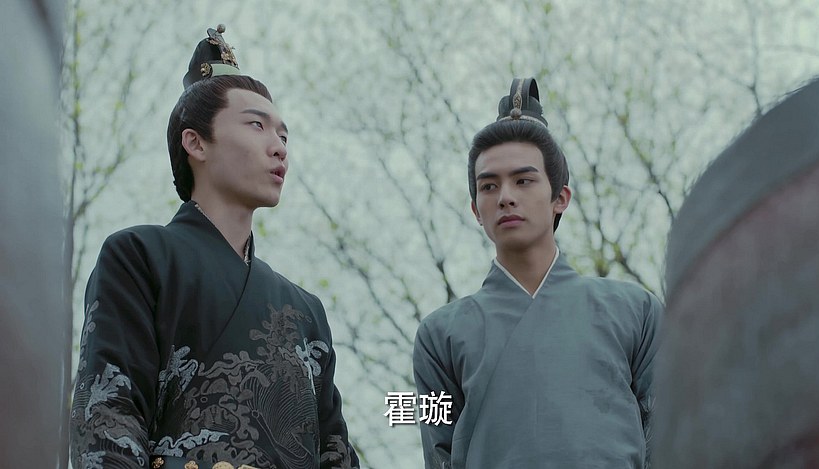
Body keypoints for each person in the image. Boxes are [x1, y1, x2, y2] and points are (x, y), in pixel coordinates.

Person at [70, 25, 359, 469]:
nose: (279, 148)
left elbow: (334, 452)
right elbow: (108, 413)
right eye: (257, 125)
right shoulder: (139, 257)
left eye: (284, 136)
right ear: (196, 142)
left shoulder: (305, 310)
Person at [412, 78, 662, 468]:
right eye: (489, 186)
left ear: (560, 197)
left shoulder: (636, 312)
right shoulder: (439, 335)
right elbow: (438, 451)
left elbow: (668, 437)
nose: (505, 197)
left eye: (524, 180)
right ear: (476, 210)